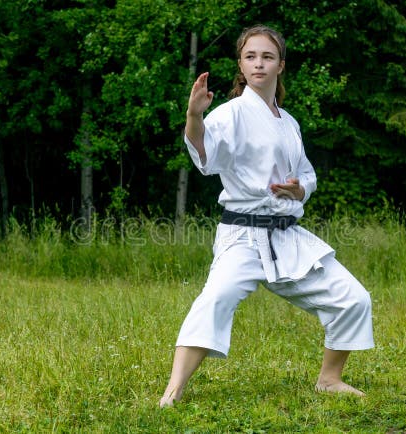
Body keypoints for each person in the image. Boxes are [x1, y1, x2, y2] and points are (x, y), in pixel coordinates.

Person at [159, 25, 374, 408]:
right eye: (251, 57)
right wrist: (194, 116)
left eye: (267, 57)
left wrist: (299, 189)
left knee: (353, 298)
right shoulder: (232, 113)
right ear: (241, 66)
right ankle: (172, 392)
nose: (259, 63)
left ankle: (329, 379)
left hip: (286, 236)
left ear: (280, 66)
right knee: (215, 299)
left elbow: (307, 174)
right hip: (242, 235)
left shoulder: (288, 122)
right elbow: (204, 151)